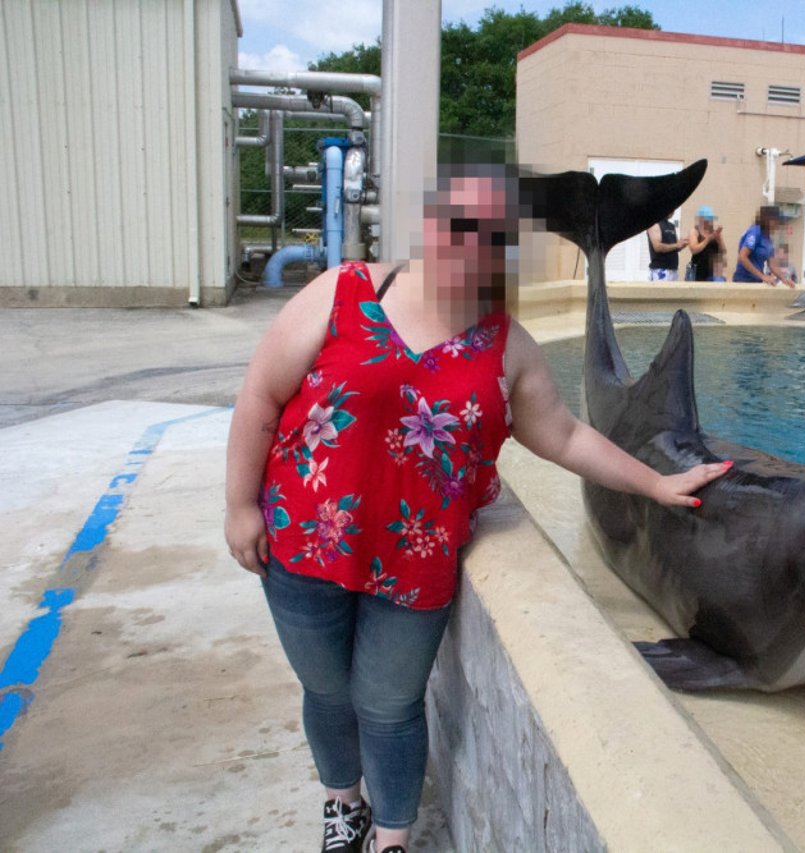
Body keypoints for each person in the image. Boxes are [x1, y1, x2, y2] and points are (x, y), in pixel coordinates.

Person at [224, 163, 731, 853]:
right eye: (458, 224)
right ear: (427, 225)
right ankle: (343, 802)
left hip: (415, 565)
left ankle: (392, 837)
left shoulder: (506, 345)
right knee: (327, 689)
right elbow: (261, 393)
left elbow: (566, 434)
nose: (471, 245)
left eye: (493, 234)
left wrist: (656, 483)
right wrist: (239, 505)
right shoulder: (344, 293)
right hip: (305, 545)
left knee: (391, 705)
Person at [732, 205, 791, 288]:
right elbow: (743, 256)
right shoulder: (755, 232)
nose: (777, 225)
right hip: (743, 280)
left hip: (756, 281)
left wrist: (784, 278)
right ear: (768, 220)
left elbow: (772, 265)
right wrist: (762, 276)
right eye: (776, 221)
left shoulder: (769, 239)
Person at [686, 205, 725, 282]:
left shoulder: (714, 232)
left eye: (710, 220)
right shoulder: (694, 231)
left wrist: (719, 240)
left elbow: (723, 251)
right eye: (707, 220)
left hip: (715, 271)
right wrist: (708, 239)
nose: (709, 222)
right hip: (699, 270)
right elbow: (694, 249)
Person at [647, 210, 687, 281]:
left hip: (673, 270)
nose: (673, 211)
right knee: (659, 292)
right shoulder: (654, 225)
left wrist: (682, 244)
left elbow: (676, 246)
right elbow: (657, 247)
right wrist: (677, 245)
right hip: (660, 270)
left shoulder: (672, 226)